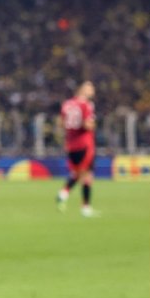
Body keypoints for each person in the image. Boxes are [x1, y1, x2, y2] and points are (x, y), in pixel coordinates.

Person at [58, 81, 97, 216]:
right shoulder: (86, 105)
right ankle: (85, 207)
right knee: (87, 175)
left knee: (76, 173)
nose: (92, 90)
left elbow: (61, 123)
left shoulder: (67, 104)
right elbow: (88, 125)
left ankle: (63, 193)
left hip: (71, 144)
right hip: (84, 144)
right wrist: (92, 124)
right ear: (82, 90)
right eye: (89, 87)